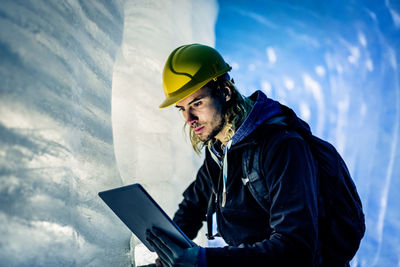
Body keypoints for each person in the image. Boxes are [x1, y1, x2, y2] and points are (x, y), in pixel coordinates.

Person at [145, 43, 354, 267]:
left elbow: (295, 246)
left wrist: (204, 260)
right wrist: (168, 253)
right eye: (182, 109)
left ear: (225, 92)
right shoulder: (220, 147)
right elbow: (192, 206)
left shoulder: (283, 147)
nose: (189, 119)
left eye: (197, 103)